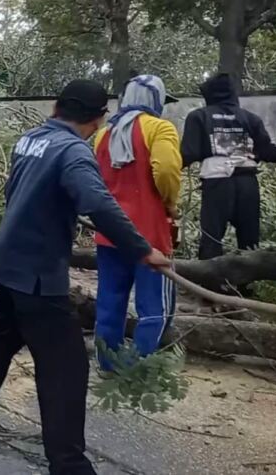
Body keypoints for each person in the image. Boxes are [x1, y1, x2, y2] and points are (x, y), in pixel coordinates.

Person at [0, 80, 171, 475]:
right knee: (66, 366)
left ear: (56, 107)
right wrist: (142, 249)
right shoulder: (72, 151)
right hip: (37, 269)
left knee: (2, 334)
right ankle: (68, 463)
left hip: (11, 256)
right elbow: (99, 203)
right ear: (98, 118)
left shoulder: (30, 138)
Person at [91, 75, 182, 371]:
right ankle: (136, 366)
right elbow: (167, 170)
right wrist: (170, 203)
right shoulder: (160, 128)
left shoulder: (104, 134)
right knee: (154, 306)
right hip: (150, 234)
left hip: (110, 233)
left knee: (109, 302)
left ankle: (107, 363)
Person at [181, 72, 276, 259]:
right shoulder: (250, 119)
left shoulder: (198, 117)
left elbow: (189, 153)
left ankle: (210, 284)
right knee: (249, 241)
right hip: (248, 184)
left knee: (212, 241)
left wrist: (161, 170)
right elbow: (267, 152)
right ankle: (247, 286)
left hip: (217, 185)